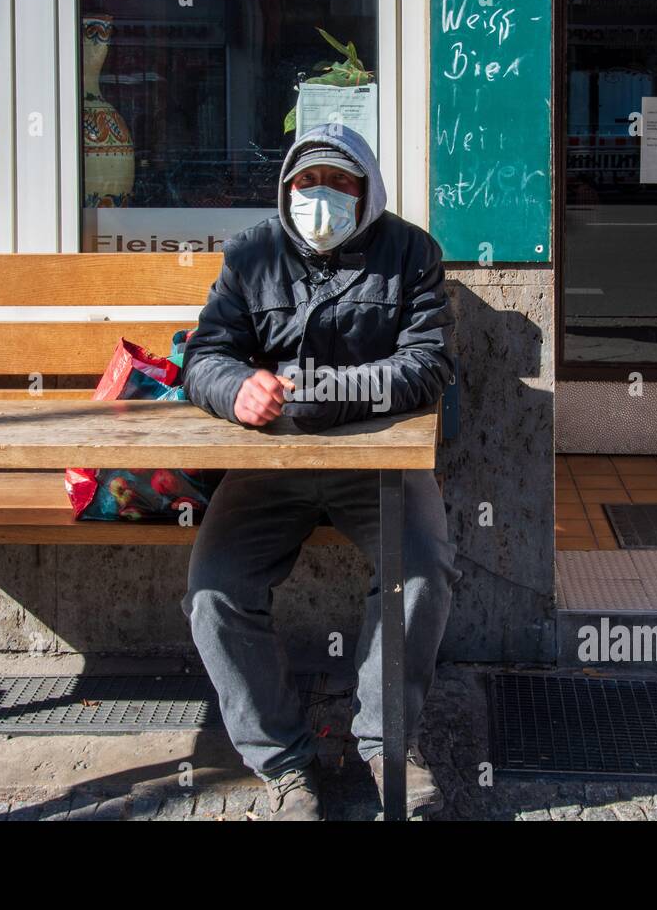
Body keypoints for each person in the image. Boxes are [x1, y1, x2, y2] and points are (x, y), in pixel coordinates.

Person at [181, 122, 461, 820]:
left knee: (422, 567)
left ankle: (387, 743)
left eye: (340, 182)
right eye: (308, 182)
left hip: (378, 466)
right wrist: (236, 389)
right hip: (269, 462)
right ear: (286, 188)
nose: (322, 196)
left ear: (367, 189)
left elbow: (429, 363)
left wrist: (335, 393)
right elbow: (204, 356)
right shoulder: (251, 253)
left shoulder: (411, 252)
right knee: (214, 591)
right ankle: (282, 762)